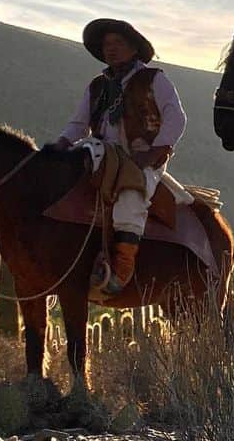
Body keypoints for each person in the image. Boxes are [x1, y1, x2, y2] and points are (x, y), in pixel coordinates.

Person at [47, 18, 187, 295]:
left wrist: (155, 152)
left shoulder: (154, 79)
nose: (111, 49)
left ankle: (122, 269)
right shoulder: (98, 86)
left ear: (134, 48)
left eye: (118, 44)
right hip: (101, 153)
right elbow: (78, 124)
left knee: (130, 196)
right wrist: (61, 145)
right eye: (107, 44)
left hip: (141, 156)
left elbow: (176, 118)